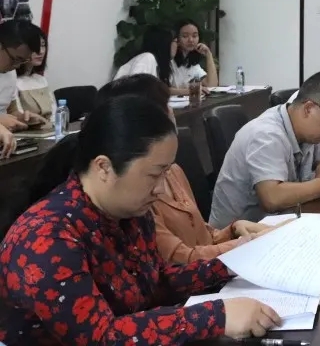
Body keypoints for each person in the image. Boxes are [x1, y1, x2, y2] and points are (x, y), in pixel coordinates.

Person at [0, 91, 282, 344]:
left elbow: (155, 283)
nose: (160, 189)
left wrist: (234, 263)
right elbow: (100, 337)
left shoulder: (131, 212)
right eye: (154, 174)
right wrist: (215, 316)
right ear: (104, 167)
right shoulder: (47, 238)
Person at [96, 74, 273, 264]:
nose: (171, 112)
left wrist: (234, 230)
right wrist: (247, 244)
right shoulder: (137, 196)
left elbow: (202, 234)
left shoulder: (173, 171)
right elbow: (179, 260)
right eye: (165, 107)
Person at [209, 71, 320, 228]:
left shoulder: (309, 130)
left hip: (278, 224)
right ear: (308, 109)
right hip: (236, 236)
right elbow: (272, 198)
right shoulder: (266, 134)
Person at [0, 19, 47, 138]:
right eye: (16, 59)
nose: (17, 66)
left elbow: (11, 110)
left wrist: (22, 118)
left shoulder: (10, 73)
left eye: (23, 61)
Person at [115, 26, 192, 97]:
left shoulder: (161, 64)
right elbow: (136, 91)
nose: (177, 46)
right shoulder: (147, 58)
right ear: (165, 43)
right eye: (175, 42)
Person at [9, 29, 57, 122]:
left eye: (43, 45)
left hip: (50, 128)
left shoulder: (41, 80)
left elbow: (54, 116)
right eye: (34, 46)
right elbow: (19, 118)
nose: (40, 51)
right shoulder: (13, 81)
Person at [174, 19, 219, 89]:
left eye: (194, 36)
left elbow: (212, 85)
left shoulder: (192, 64)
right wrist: (190, 91)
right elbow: (165, 89)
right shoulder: (170, 61)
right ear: (176, 39)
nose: (191, 40)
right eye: (185, 36)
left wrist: (208, 54)